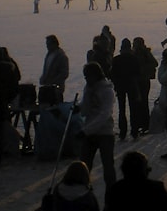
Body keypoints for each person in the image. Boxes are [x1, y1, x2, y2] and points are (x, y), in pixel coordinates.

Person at [79, 61, 117, 191]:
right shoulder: (88, 88)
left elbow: (104, 114)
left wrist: (86, 130)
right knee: (84, 166)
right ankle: (82, 193)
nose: (86, 79)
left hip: (105, 133)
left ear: (96, 75)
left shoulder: (107, 91)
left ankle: (111, 199)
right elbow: (85, 111)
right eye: (85, 77)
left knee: (108, 168)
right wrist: (78, 107)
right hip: (89, 132)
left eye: (88, 76)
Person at [109, 38, 141, 141]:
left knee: (121, 110)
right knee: (133, 109)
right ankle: (134, 131)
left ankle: (123, 132)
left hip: (120, 86)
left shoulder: (116, 59)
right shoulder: (134, 58)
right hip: (132, 86)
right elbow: (138, 73)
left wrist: (116, 84)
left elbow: (112, 74)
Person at [40, 34, 70, 102]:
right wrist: (43, 78)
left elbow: (64, 73)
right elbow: (46, 70)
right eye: (46, 44)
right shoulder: (48, 55)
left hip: (56, 91)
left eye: (49, 44)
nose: (47, 46)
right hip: (47, 89)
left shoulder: (62, 57)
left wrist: (53, 82)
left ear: (55, 44)